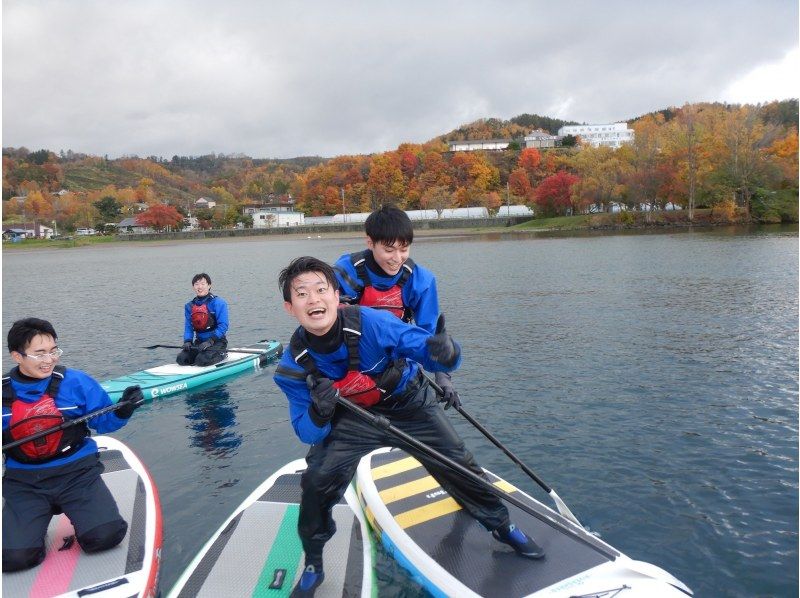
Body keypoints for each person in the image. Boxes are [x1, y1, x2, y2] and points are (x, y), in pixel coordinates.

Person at [273, 257, 544, 598]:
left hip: (407, 403)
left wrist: (446, 355)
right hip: (352, 420)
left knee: (458, 461)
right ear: (290, 307)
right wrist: (320, 413)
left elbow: (425, 349)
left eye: (320, 290)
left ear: (337, 296)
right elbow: (307, 432)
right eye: (302, 294)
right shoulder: (291, 369)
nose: (313, 300)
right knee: (316, 481)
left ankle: (502, 526)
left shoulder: (373, 323)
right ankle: (313, 561)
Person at [2, 317, 143, 572]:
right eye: (39, 354)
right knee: (14, 559)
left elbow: (105, 421)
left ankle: (85, 517)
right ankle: (30, 532)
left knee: (105, 536)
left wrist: (124, 409)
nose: (49, 360)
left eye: (53, 351)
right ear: (17, 356)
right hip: (24, 482)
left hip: (76, 473)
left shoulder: (76, 382)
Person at [333, 205, 461, 409]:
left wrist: (443, 378)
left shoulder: (421, 281)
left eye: (404, 249)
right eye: (389, 250)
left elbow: (429, 338)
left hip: (398, 373)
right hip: (351, 373)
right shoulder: (345, 272)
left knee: (451, 443)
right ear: (370, 242)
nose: (397, 258)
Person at [177, 273, 229, 366]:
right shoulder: (189, 306)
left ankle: (222, 354)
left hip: (217, 342)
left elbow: (223, 326)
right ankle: (199, 357)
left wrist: (211, 341)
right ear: (193, 287)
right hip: (199, 343)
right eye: (196, 284)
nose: (199, 287)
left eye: (203, 284)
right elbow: (188, 327)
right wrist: (187, 341)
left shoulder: (219, 303)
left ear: (209, 285)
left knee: (201, 360)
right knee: (181, 359)